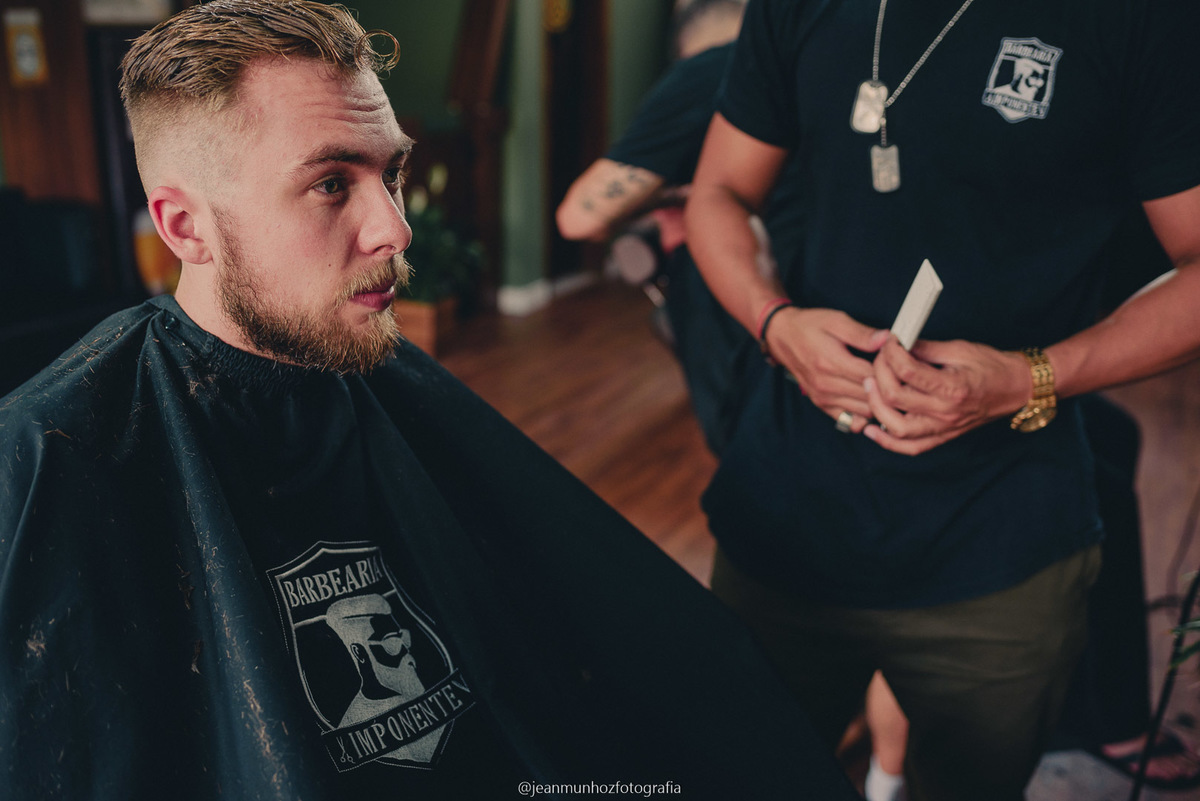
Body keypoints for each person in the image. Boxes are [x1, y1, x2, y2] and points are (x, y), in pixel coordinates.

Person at [0, 2, 866, 799]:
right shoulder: (53, 457)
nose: (396, 227)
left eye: (392, 173)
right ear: (185, 226)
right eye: (332, 183)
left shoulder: (399, 391)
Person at [683, 1, 1200, 800]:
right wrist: (774, 321)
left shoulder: (1139, 20)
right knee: (746, 773)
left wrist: (1031, 376)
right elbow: (718, 190)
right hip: (786, 513)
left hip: (1004, 543)